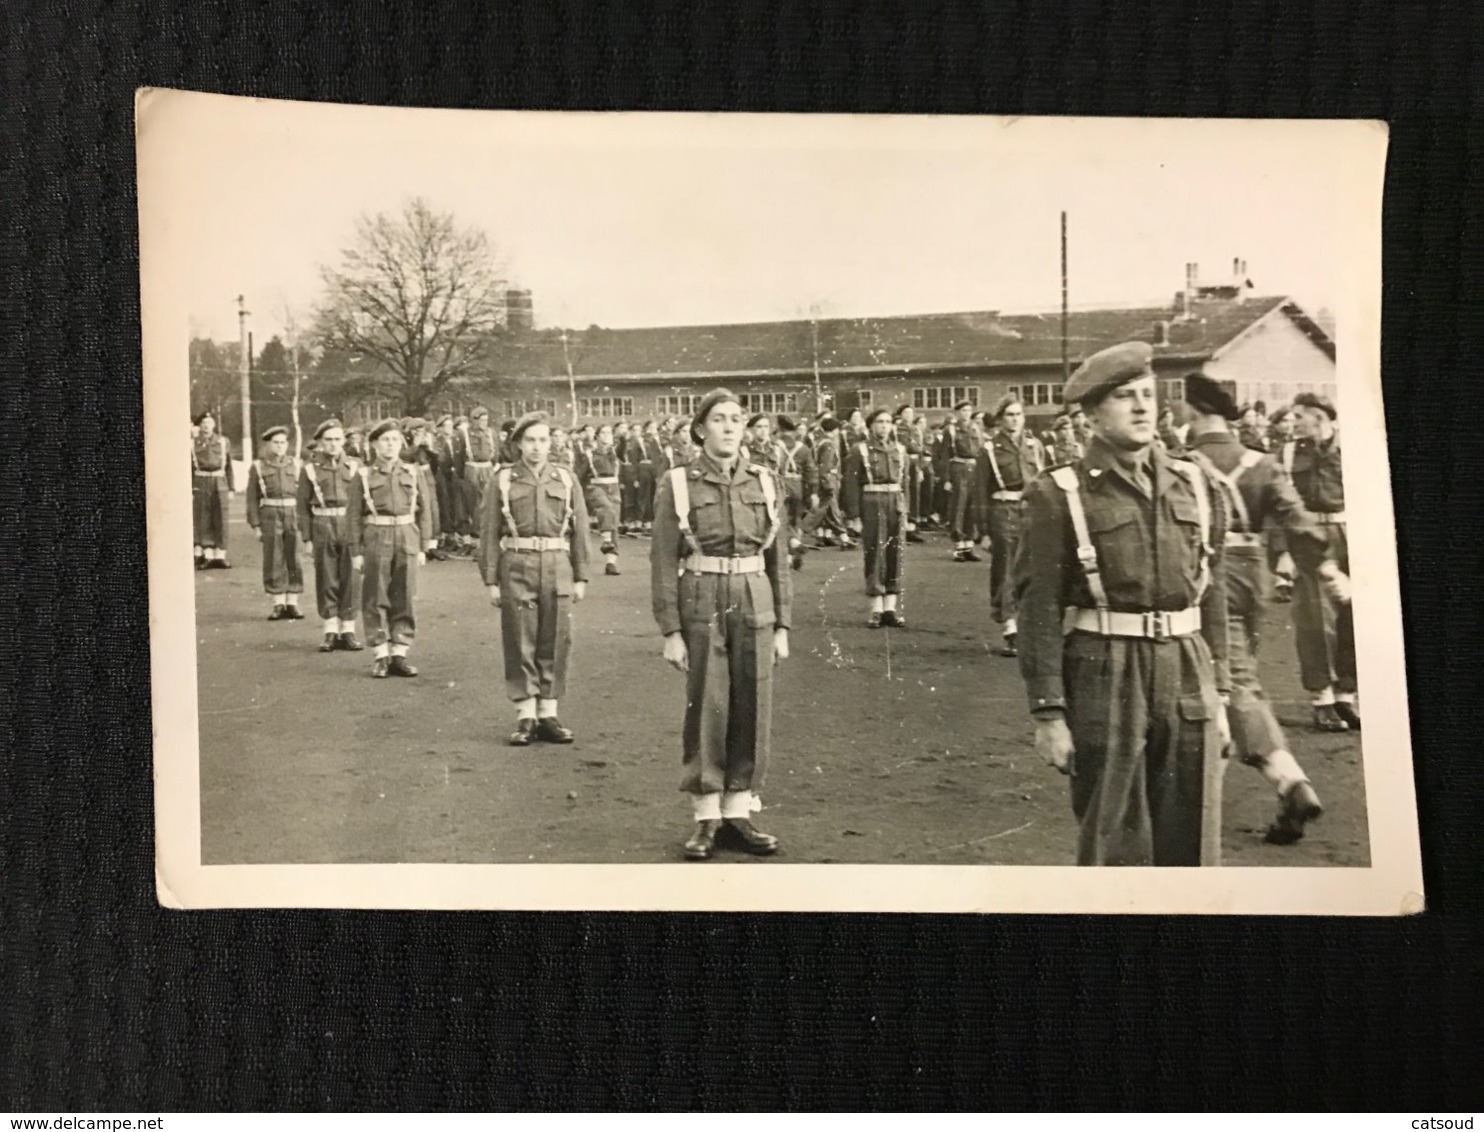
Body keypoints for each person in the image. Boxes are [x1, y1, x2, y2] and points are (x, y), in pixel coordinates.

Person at [1014, 341, 1232, 867]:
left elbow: (1213, 591)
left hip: (1186, 667)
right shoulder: (1059, 493)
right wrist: (1048, 714)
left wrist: (1220, 692)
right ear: (1091, 414)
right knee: (1115, 839)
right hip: (1105, 672)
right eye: (1124, 397)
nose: (1141, 407)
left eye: (1147, 394)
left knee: (1193, 839)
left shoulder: (1196, 484)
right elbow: (1037, 605)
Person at [1179, 375, 1348, 844]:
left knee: (1226, 682)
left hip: (1203, 574)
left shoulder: (1180, 464)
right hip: (1252, 573)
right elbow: (1299, 521)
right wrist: (1328, 570)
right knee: (1235, 673)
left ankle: (1288, 781)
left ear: (1194, 411)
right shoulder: (1262, 462)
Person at [651, 389, 791, 861]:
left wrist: (784, 625)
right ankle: (706, 817)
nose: (730, 427)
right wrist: (670, 631)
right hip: (703, 598)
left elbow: (779, 561)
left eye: (737, 419)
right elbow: (663, 561)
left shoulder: (766, 482)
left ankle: (738, 813)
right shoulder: (679, 483)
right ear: (701, 429)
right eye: (719, 419)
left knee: (753, 704)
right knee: (709, 706)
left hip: (755, 598)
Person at [480, 412, 591, 746]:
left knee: (556, 637)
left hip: (557, 564)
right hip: (517, 563)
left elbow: (581, 531)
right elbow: (487, 533)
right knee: (520, 637)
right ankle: (525, 714)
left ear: (552, 443)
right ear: (518, 445)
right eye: (530, 440)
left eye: (544, 440)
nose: (537, 447)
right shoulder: (502, 480)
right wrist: (490, 579)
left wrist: (581, 575)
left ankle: (548, 712)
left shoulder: (566, 478)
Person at [1282, 392, 1358, 731]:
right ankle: (1322, 700)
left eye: (1299, 416)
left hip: (1349, 533)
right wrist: (1284, 550)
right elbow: (1280, 503)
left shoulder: (1353, 449)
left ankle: (1346, 696)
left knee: (1352, 618)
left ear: (1320, 418)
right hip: (1309, 536)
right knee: (1314, 621)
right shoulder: (1286, 453)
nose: (1293, 422)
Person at [347, 420, 433, 678]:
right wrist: (356, 551)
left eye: (395, 440)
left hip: (407, 535)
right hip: (376, 535)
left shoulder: (413, 472)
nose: (390, 445)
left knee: (404, 594)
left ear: (401, 444)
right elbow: (352, 515)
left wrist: (423, 546)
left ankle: (400, 653)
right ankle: (381, 654)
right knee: (375, 596)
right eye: (385, 440)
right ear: (374, 444)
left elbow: (425, 510)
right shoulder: (363, 475)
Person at [976, 394, 1046, 656]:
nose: (1015, 420)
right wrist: (982, 531)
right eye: (1009, 415)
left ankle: (1026, 624)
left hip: (1031, 511)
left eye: (1018, 414)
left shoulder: (1034, 445)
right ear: (1000, 419)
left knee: (1032, 567)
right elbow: (980, 491)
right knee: (1006, 568)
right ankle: (1009, 627)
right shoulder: (990, 450)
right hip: (1002, 511)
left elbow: (1044, 483)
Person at [296, 417, 365, 652]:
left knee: (352, 577)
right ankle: (330, 629)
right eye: (328, 440)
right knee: (326, 577)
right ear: (321, 442)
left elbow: (365, 503)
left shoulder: (356, 466)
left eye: (337, 439)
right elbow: (302, 506)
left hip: (349, 524)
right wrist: (306, 538)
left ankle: (348, 630)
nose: (333, 444)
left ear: (344, 441)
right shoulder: (309, 469)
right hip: (323, 523)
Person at [842, 408, 909, 627]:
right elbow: (850, 485)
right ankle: (876, 608)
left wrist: (908, 513)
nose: (884, 426)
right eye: (880, 421)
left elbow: (906, 484)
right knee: (875, 554)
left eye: (888, 422)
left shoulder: (900, 449)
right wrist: (854, 516)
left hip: (895, 503)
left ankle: (890, 607)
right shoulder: (859, 450)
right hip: (872, 502)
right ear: (871, 425)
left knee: (895, 554)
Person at [245, 425, 305, 621]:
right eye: (275, 443)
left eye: (282, 442)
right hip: (270, 514)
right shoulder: (258, 467)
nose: (279, 446)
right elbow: (252, 498)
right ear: (269, 444)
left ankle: (293, 602)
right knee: (274, 557)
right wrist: (256, 525)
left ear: (287, 444)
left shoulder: (296, 464)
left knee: (294, 557)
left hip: (293, 512)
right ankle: (278, 602)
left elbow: (304, 496)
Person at [935, 400, 982, 561]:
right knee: (958, 507)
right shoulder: (951, 431)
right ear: (957, 413)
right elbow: (945, 455)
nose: (966, 414)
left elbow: (980, 451)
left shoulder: (976, 428)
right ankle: (958, 546)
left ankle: (969, 544)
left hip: (973, 469)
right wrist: (946, 478)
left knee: (972, 507)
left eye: (969, 410)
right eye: (963, 411)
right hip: (958, 468)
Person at [191, 410, 234, 569]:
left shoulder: (223, 442)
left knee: (221, 517)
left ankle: (220, 555)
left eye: (209, 423)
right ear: (199, 426)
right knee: (203, 517)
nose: (206, 426)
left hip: (219, 481)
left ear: (214, 425)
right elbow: (188, 467)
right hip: (200, 481)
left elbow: (229, 466)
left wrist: (231, 488)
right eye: (203, 423)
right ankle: (208, 554)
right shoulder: (192, 443)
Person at [579, 422, 624, 576]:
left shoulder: (614, 454)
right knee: (607, 509)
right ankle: (605, 540)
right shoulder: (590, 455)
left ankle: (611, 562)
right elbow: (579, 475)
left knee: (614, 524)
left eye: (609, 433)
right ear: (597, 437)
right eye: (603, 433)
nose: (607, 435)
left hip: (614, 489)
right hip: (596, 487)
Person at [774, 415, 818, 570]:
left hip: (780, 485)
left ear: (779, 430)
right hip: (798, 486)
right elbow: (811, 472)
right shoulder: (804, 449)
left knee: (781, 520)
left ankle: (790, 551)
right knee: (795, 520)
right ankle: (795, 545)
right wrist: (812, 492)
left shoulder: (775, 446)